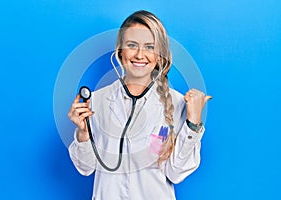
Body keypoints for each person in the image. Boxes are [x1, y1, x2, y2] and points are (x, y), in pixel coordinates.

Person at [68, 10, 211, 200]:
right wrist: (83, 134)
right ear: (120, 51)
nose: (139, 54)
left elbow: (176, 174)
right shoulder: (96, 101)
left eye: (149, 47)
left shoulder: (177, 103)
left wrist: (193, 124)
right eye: (132, 45)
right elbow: (85, 168)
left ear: (160, 56)